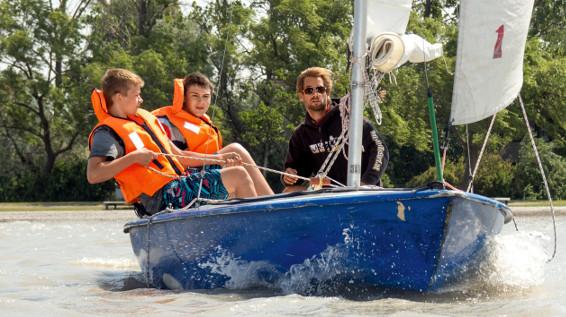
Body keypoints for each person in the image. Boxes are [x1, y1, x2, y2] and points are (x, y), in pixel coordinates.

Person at [87, 68, 273, 217]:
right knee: (238, 175)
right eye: (137, 95)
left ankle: (274, 205)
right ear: (119, 97)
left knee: (235, 155)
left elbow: (180, 156)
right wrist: (133, 157)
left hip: (177, 183)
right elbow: (94, 175)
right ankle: (262, 228)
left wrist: (221, 159)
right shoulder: (107, 132)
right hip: (160, 198)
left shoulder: (143, 120)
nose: (141, 100)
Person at [152, 73, 273, 197]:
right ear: (184, 97)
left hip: (201, 170)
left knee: (236, 163)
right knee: (235, 149)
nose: (201, 101)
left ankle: (267, 202)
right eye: (195, 96)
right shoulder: (166, 122)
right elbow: (176, 158)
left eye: (206, 96)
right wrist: (221, 159)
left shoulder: (202, 122)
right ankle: (271, 201)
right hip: (181, 181)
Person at [282, 67, 389, 192]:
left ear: (327, 92)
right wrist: (289, 176)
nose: (315, 94)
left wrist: (366, 182)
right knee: (289, 191)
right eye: (309, 90)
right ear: (301, 95)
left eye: (320, 89)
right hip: (327, 195)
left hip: (360, 192)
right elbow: (298, 172)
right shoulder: (301, 135)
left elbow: (380, 148)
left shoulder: (350, 118)